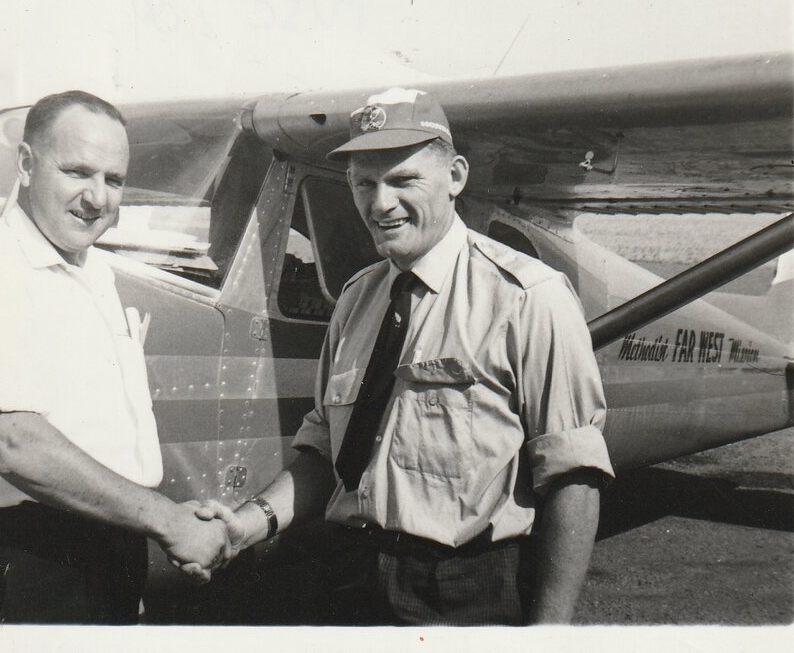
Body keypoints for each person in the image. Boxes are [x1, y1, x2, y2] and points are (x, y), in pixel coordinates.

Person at [192, 87, 614, 625]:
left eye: (403, 180)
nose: (380, 203)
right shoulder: (356, 298)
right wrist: (245, 526)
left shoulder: (528, 296)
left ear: (455, 176)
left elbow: (572, 475)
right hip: (351, 574)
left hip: (467, 587)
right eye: (363, 184)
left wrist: (549, 633)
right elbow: (326, 452)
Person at [0, 90, 229, 624]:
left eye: (114, 180)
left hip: (104, 543)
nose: (96, 197)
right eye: (77, 171)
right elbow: (14, 441)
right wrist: (172, 524)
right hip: (30, 560)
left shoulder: (92, 271)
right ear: (25, 164)